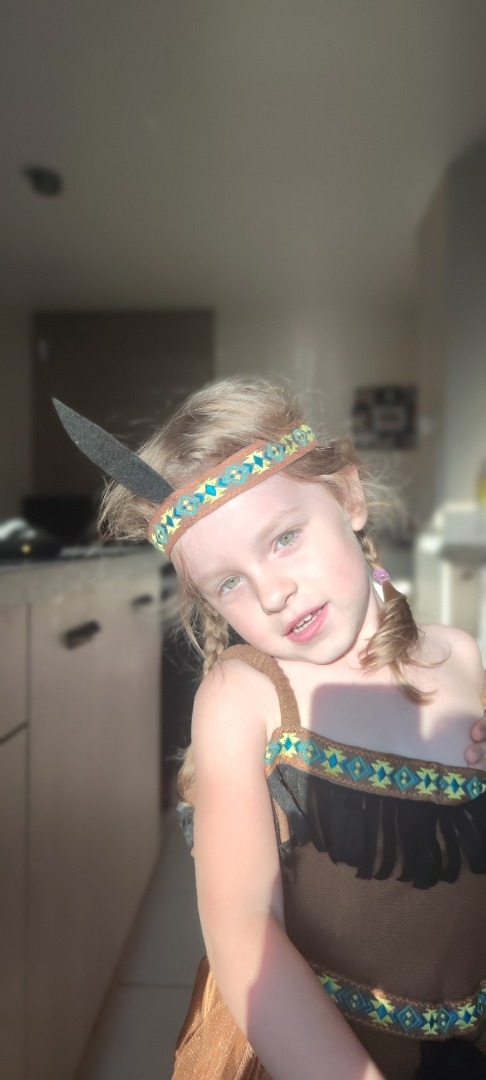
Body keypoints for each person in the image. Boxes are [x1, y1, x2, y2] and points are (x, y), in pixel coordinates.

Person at [56, 379, 486, 1080]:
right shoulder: (244, 698)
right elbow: (243, 927)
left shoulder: (462, 658)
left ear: (349, 496)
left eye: (284, 538)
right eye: (229, 583)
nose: (272, 593)